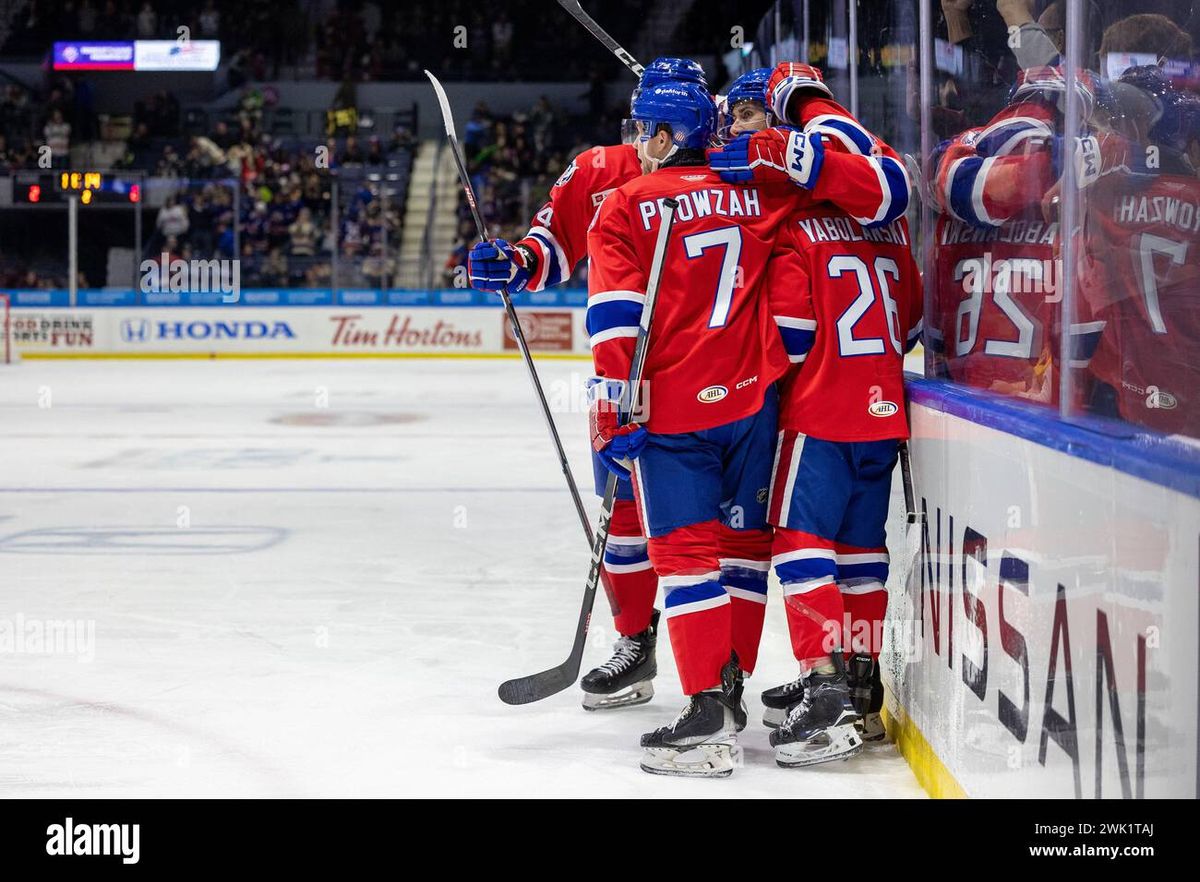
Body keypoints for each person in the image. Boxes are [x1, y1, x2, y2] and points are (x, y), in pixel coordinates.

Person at [467, 59, 708, 713]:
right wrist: (513, 262)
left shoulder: (720, 170)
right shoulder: (598, 169)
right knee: (620, 524)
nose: (640, 130)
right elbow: (550, 245)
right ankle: (635, 644)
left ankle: (721, 675)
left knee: (708, 529)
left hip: (708, 373)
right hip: (619, 379)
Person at [588, 80, 811, 777]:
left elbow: (617, 322)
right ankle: (734, 690)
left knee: (686, 562)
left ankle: (709, 716)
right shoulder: (760, 193)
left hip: (674, 412)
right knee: (745, 552)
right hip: (753, 403)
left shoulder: (626, 204)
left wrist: (611, 412)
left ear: (662, 137)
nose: (634, 142)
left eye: (641, 129)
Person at [707, 61, 913, 735]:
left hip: (818, 413)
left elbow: (791, 337)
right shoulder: (889, 230)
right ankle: (862, 680)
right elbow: (908, 321)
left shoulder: (796, 227)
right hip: (883, 413)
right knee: (862, 553)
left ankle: (823, 685)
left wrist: (747, 375)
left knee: (800, 546)